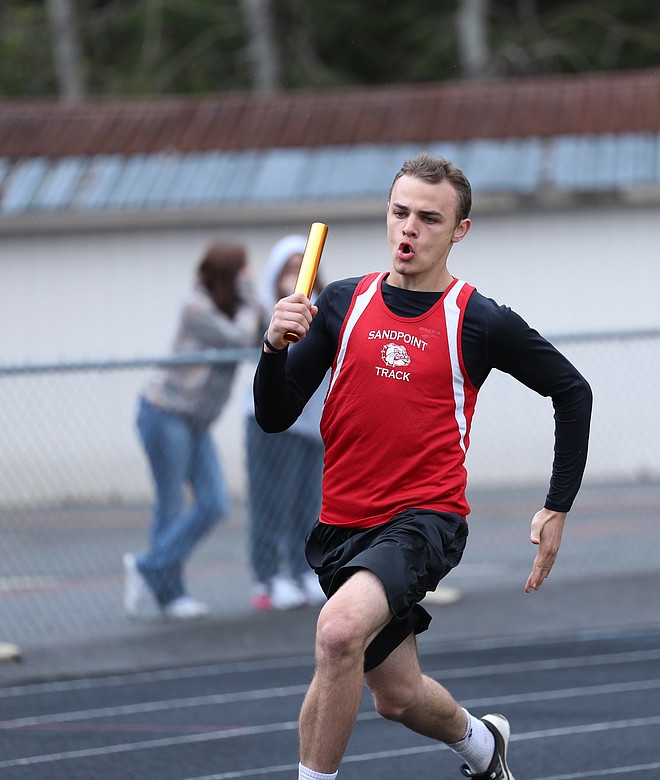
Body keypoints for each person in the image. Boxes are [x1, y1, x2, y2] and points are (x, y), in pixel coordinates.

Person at [254, 152, 593, 779]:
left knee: (336, 634)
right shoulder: (339, 304)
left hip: (423, 520)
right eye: (399, 212)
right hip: (342, 527)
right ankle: (485, 749)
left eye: (429, 219)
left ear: (459, 230)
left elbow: (573, 391)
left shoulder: (478, 318)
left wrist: (557, 505)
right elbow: (273, 416)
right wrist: (272, 351)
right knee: (397, 696)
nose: (409, 229)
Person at [125, 241, 262, 620]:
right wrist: (250, 299)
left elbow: (263, 331)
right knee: (170, 502)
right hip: (164, 412)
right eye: (242, 270)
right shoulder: (196, 305)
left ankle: (149, 569)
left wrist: (257, 302)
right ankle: (168, 593)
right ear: (227, 272)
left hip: (196, 422)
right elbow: (239, 338)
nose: (247, 277)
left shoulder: (235, 307)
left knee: (215, 502)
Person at [244, 234, 328, 611]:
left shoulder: (324, 311)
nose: (295, 275)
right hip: (272, 427)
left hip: (311, 425)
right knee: (271, 503)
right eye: (288, 268)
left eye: (301, 267)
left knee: (306, 504)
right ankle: (268, 577)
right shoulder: (265, 312)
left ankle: (300, 571)